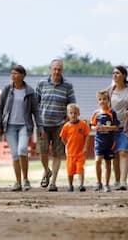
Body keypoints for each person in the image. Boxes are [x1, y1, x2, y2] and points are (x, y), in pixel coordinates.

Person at [0, 65, 44, 191]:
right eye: (12, 73)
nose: (13, 76)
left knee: (22, 150)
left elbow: (36, 112)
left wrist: (40, 127)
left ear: (22, 75)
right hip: (9, 126)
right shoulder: (7, 90)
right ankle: (18, 182)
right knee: (15, 154)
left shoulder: (30, 92)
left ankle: (26, 180)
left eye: (15, 73)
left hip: (24, 126)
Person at [36, 59, 76, 192]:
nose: (57, 71)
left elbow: (72, 104)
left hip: (60, 124)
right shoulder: (41, 84)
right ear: (50, 69)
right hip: (43, 124)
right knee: (43, 151)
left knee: (57, 154)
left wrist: (68, 120)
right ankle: (47, 171)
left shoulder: (67, 86)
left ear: (62, 70)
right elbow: (35, 104)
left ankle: (53, 182)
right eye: (55, 69)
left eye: (59, 69)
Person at [108, 66, 128, 191]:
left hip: (126, 127)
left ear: (124, 76)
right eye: (113, 73)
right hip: (112, 128)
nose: (115, 75)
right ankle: (116, 180)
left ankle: (123, 181)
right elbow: (103, 105)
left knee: (124, 152)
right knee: (115, 154)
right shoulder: (109, 91)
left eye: (117, 73)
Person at [90, 90, 120, 192]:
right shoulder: (96, 113)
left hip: (109, 142)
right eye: (100, 99)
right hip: (99, 142)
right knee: (98, 161)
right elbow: (92, 126)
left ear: (108, 100)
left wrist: (107, 128)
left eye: (104, 99)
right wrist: (97, 128)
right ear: (97, 101)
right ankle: (98, 183)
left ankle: (107, 184)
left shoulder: (112, 113)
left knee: (108, 163)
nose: (102, 101)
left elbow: (116, 127)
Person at [59, 103, 90, 192]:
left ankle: (81, 185)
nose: (73, 115)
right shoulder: (66, 126)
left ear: (79, 113)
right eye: (71, 113)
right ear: (68, 114)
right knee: (70, 170)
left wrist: (85, 147)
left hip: (80, 152)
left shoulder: (83, 124)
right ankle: (70, 185)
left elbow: (87, 135)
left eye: (75, 113)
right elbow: (63, 137)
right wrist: (67, 145)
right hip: (70, 153)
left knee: (80, 168)